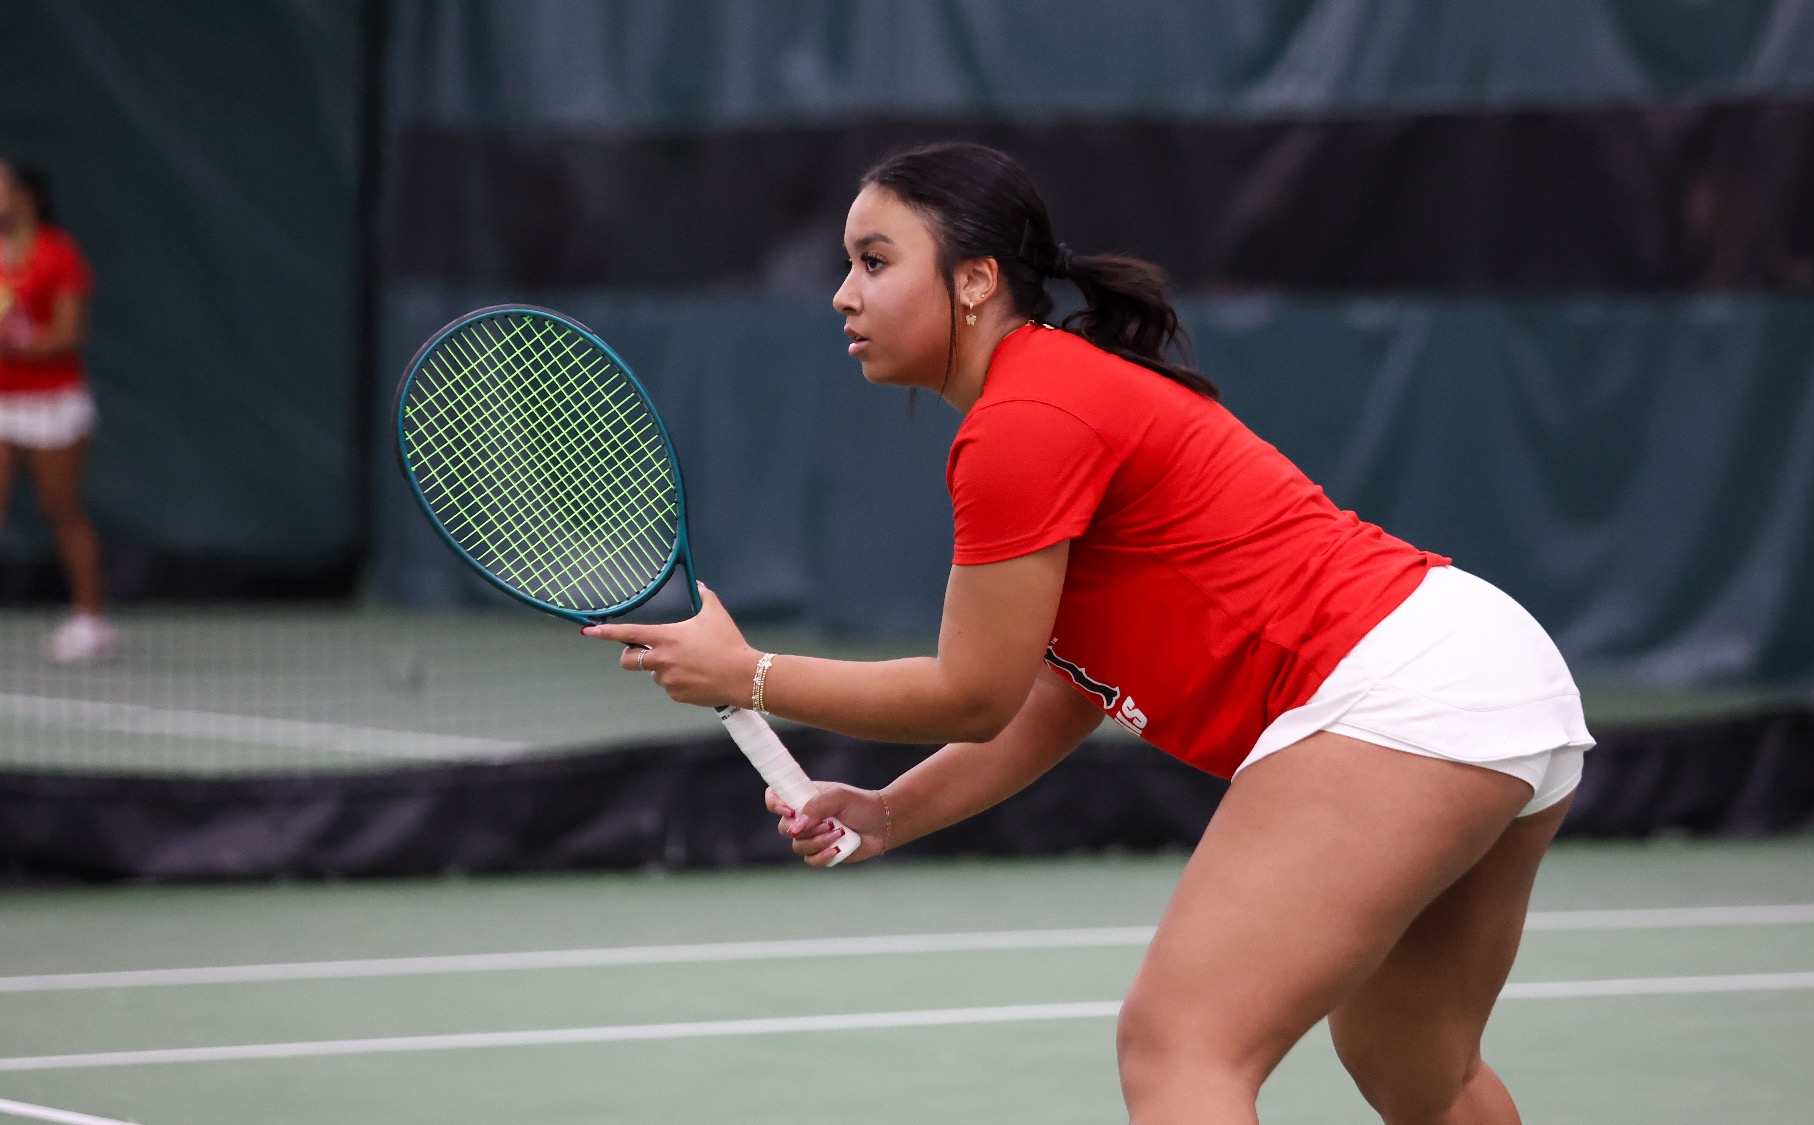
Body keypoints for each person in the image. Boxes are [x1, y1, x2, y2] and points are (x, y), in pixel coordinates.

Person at [587, 142, 1593, 1125]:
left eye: (875, 261)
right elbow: (1057, 691)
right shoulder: (1054, 391)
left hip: (1397, 690)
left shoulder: (1025, 419)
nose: (842, 295)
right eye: (846, 264)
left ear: (975, 279)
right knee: (1418, 1075)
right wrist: (890, 813)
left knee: (1179, 1049)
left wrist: (747, 673)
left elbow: (969, 695)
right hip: (1495, 678)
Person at [0, 160, 114, 664]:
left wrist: (18, 342)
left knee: (62, 512)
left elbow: (70, 334)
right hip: (3, 401)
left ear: (27, 196)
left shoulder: (57, 253)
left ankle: (90, 619)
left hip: (54, 405)